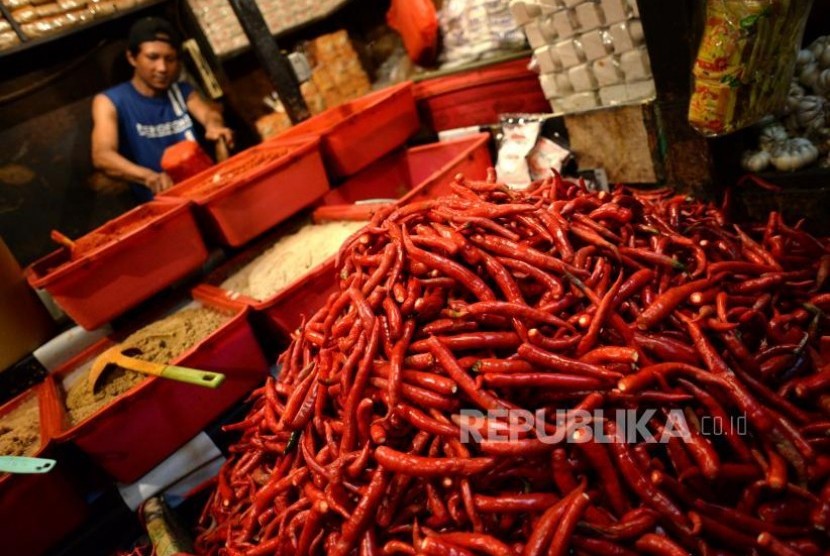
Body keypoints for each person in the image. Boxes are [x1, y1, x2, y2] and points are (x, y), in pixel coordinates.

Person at [91, 17, 234, 202]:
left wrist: (214, 126)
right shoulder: (110, 101)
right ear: (132, 58)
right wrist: (147, 176)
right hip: (161, 205)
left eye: (170, 59)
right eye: (152, 57)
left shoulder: (181, 91)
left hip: (205, 193)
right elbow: (102, 155)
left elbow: (209, 114)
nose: (162, 68)